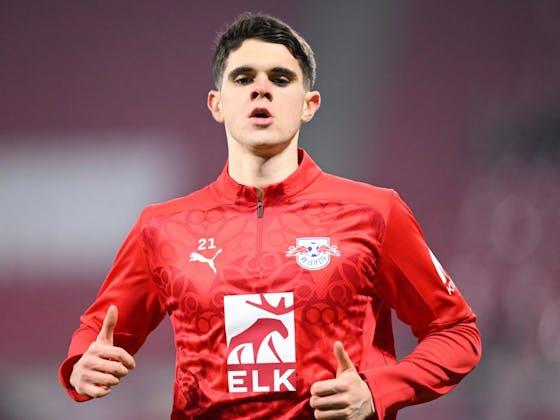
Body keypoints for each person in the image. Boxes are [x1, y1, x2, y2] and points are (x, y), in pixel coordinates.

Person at [59, 12, 481, 420]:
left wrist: (378, 391)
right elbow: (98, 331)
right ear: (217, 104)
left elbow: (457, 332)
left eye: (280, 79)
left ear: (309, 104)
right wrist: (82, 364)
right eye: (244, 79)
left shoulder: (374, 212)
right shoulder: (162, 228)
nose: (261, 90)